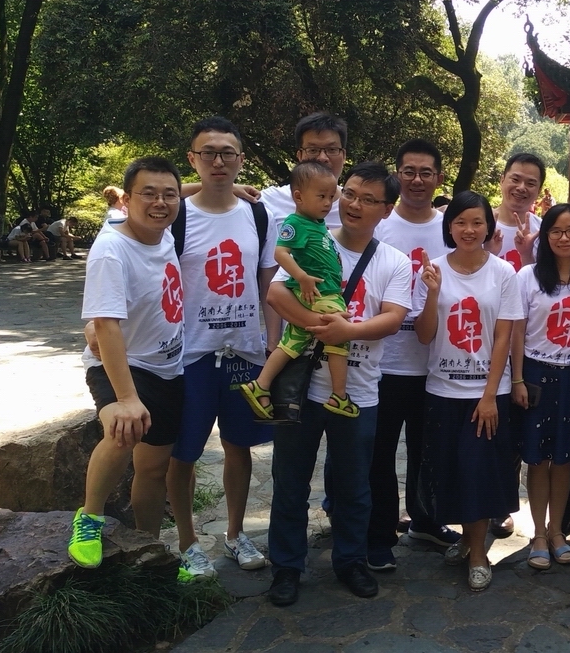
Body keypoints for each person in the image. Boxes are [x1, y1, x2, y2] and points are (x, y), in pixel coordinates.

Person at [263, 162, 411, 607]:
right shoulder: (313, 238)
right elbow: (276, 293)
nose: (353, 204)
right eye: (349, 194)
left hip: (357, 392)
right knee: (290, 481)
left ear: (386, 210)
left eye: (369, 199)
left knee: (354, 484)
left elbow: (393, 318)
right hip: (303, 387)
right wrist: (323, 327)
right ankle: (287, 567)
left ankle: (351, 560)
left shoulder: (394, 261)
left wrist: (348, 332)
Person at [166, 118, 278, 581]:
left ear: (241, 160)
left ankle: (235, 534)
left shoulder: (258, 215)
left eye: (227, 153)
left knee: (239, 446)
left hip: (244, 354)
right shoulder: (174, 214)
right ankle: (188, 543)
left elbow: (268, 283)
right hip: (189, 356)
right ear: (191, 159)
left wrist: (272, 344)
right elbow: (128, 214)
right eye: (207, 152)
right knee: (184, 453)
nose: (218, 161)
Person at [68, 157, 185, 570]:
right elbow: (105, 325)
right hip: (121, 362)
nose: (160, 202)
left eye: (169, 194)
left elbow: (178, 195)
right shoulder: (111, 250)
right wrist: (128, 398)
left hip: (168, 367)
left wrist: (237, 190)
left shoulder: (163, 230)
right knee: (123, 428)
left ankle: (148, 547)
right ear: (127, 200)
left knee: (153, 467)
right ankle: (89, 518)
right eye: (148, 194)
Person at [415, 192, 524, 592]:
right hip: (442, 390)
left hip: (485, 392)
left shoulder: (503, 273)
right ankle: (465, 539)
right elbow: (424, 335)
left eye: (477, 222)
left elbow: (503, 337)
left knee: (478, 471)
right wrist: (432, 293)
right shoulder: (434, 269)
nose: (469, 229)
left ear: (488, 228)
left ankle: (478, 552)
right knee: (450, 471)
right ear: (449, 227)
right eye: (460, 222)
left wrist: (490, 395)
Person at [367, 139, 461, 572]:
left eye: (426, 172)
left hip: (433, 364)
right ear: (397, 175)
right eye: (409, 171)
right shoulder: (380, 223)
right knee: (380, 453)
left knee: (429, 450)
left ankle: (425, 520)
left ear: (439, 178)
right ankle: (380, 532)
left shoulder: (450, 227)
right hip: (382, 361)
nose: (417, 180)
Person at [511, 204, 570, 570]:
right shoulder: (528, 276)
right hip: (536, 375)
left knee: (565, 459)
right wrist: (517, 378)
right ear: (546, 236)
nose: (564, 238)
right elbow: (517, 331)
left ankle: (556, 532)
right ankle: (537, 533)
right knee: (537, 459)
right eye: (556, 231)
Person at [242, 162, 357, 420]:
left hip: (321, 292)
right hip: (321, 294)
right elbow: (280, 253)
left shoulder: (316, 223)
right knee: (339, 338)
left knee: (291, 344)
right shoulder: (296, 223)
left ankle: (260, 385)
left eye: (331, 197)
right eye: (321, 196)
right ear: (298, 197)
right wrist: (302, 277)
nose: (328, 203)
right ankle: (339, 395)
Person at [484, 152, 546, 538]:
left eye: (531, 183)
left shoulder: (546, 231)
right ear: (503, 179)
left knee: (516, 434)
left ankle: (504, 505)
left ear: (539, 190)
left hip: (527, 348)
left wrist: (527, 254)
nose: (521, 188)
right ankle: (486, 503)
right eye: (516, 179)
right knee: (487, 432)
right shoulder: (479, 222)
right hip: (479, 345)